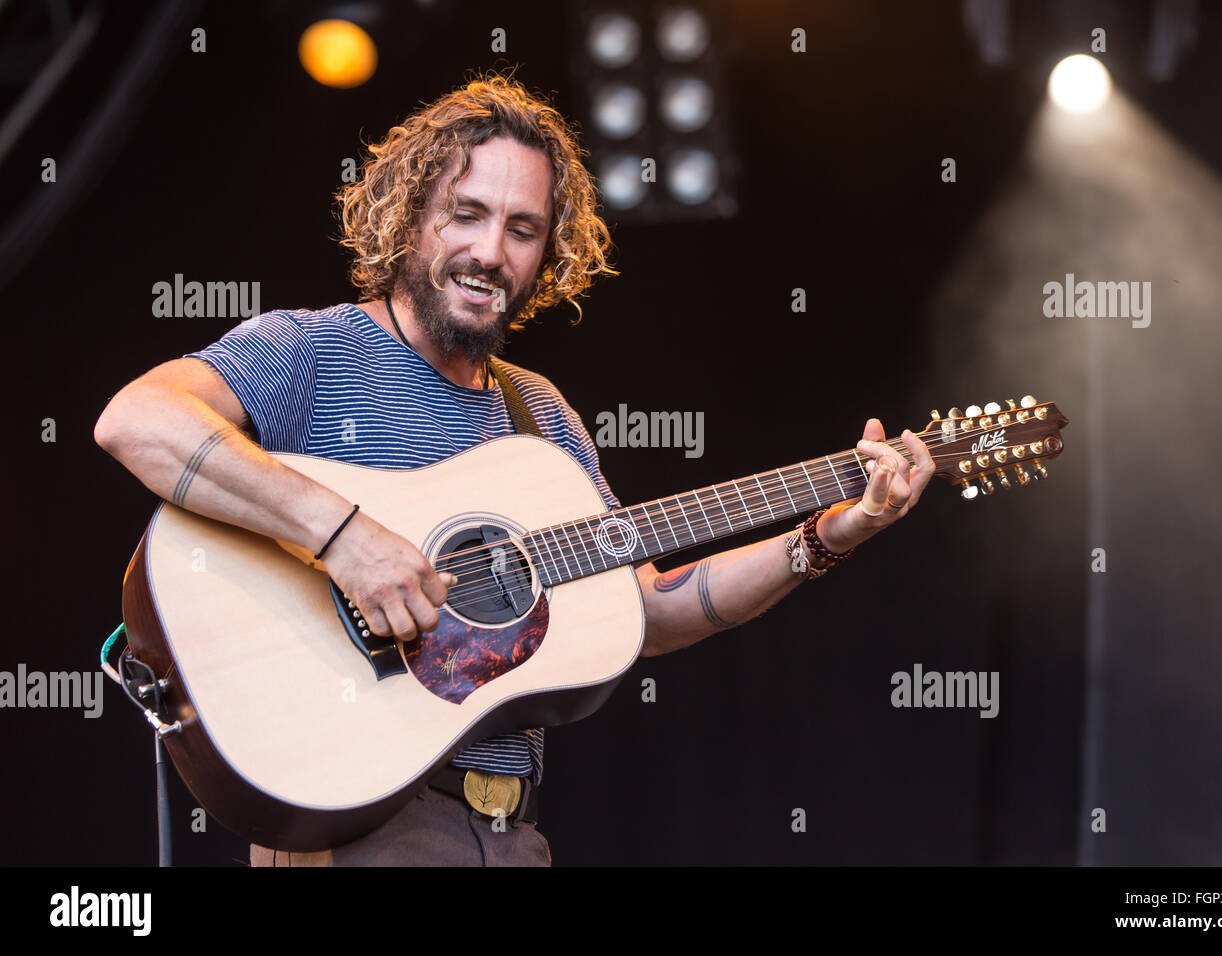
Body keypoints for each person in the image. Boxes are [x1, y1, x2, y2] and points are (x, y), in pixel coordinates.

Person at [93, 74, 936, 866]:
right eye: (467, 213)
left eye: (522, 229)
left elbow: (650, 607)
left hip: (508, 833)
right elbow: (137, 420)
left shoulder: (541, 416)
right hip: (358, 821)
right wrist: (344, 537)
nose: (490, 251)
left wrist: (832, 535)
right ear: (412, 213)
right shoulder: (311, 350)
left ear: (547, 253)